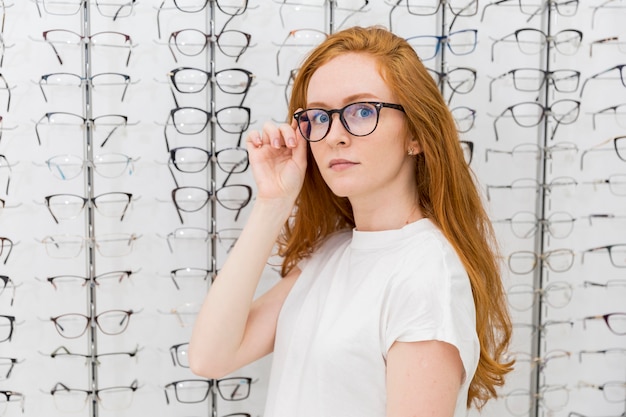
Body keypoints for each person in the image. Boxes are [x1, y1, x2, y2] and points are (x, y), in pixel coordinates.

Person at [189, 25, 513, 417]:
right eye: (319, 116)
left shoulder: (426, 275)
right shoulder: (332, 252)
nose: (334, 136)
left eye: (362, 111)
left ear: (416, 135)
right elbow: (210, 357)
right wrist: (273, 202)